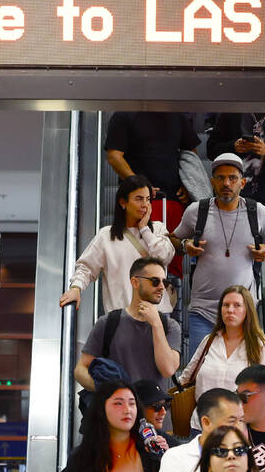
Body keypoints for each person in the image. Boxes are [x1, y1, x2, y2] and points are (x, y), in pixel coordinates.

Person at [169, 153, 265, 349]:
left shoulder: (256, 212)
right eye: (221, 177)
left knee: (242, 374)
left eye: (232, 178)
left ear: (242, 182)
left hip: (243, 312)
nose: (226, 183)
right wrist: (184, 246)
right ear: (212, 182)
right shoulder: (197, 211)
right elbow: (172, 239)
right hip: (203, 311)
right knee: (199, 373)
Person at [59, 175, 176, 315]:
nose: (145, 205)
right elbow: (86, 268)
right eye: (139, 199)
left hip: (157, 316)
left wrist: (145, 229)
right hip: (121, 318)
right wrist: (76, 288)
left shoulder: (157, 229)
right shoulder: (106, 235)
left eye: (148, 199)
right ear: (123, 202)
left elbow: (164, 257)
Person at [176, 285, 265, 433]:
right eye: (226, 305)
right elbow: (186, 378)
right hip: (201, 427)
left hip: (240, 430)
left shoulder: (260, 345)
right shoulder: (209, 341)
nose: (230, 310)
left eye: (237, 305)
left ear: (247, 310)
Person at [75, 257, 181, 392]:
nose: (161, 287)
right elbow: (80, 369)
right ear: (135, 282)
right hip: (118, 412)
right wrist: (106, 392)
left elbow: (168, 370)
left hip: (155, 411)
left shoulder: (170, 326)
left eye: (164, 282)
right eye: (155, 281)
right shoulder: (108, 322)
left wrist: (156, 324)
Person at [131, 380, 181, 448]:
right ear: (138, 408)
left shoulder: (160, 435)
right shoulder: (126, 439)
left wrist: (168, 454)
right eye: (157, 406)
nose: (164, 412)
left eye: (166, 405)